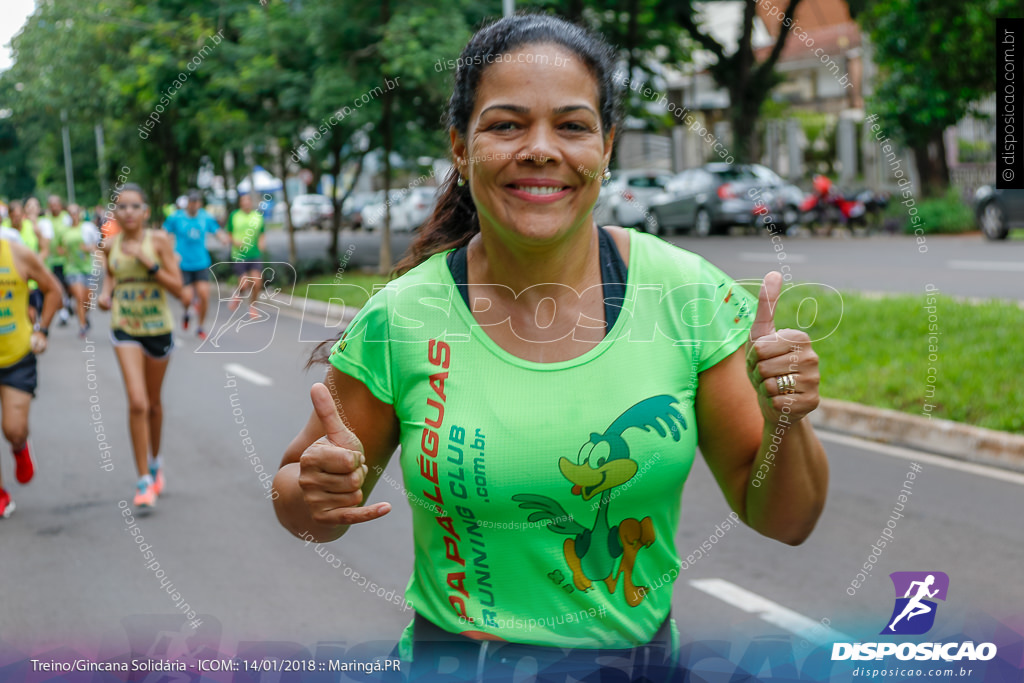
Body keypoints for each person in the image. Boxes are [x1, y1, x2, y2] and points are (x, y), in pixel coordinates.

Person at [273, 14, 828, 680]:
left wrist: (785, 419)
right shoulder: (402, 317)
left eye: (571, 125)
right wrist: (315, 492)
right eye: (506, 125)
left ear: (606, 146)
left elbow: (788, 521)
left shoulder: (685, 294)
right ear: (460, 147)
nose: (540, 149)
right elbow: (299, 506)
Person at [97, 184, 183, 510]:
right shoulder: (109, 245)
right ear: (116, 214)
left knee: (154, 404)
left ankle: (156, 461)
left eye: (134, 206)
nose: (128, 212)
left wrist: (148, 262)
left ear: (145, 212)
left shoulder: (159, 242)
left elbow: (181, 292)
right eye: (122, 207)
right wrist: (105, 298)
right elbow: (110, 280)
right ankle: (143, 479)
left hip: (158, 329)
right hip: (125, 327)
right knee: (137, 403)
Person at [0, 234, 62, 517]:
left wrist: (42, 329)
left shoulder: (17, 254)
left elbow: (53, 290)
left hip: (16, 357)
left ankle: (20, 444)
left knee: (13, 428)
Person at [163, 189, 228, 340]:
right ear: (187, 203)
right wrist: (169, 252)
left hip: (201, 262)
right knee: (186, 298)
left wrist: (223, 238)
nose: (193, 205)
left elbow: (217, 231)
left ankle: (200, 327)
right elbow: (164, 234)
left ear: (199, 203)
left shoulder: (205, 217)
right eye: (191, 202)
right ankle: (187, 312)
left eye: (196, 202)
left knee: (204, 295)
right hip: (183, 264)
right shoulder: (176, 218)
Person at [53, 204, 100, 338]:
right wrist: (66, 254)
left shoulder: (87, 228)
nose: (73, 215)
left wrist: (88, 249)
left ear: (79, 213)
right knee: (79, 298)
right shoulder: (64, 231)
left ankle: (85, 316)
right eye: (70, 213)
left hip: (87, 268)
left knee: (87, 300)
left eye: (75, 212)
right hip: (72, 269)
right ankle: (83, 326)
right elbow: (58, 248)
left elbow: (96, 245)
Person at [226, 193, 266, 320]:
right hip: (239, 254)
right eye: (243, 201)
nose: (246, 203)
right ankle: (238, 294)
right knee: (244, 284)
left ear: (251, 203)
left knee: (257, 282)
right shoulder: (235, 216)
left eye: (248, 201)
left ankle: (253, 306)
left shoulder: (257, 216)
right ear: (240, 203)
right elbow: (229, 234)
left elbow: (262, 233)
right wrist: (235, 241)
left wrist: (261, 243)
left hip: (254, 254)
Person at [40, 195, 73, 326]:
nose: (54, 207)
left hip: (68, 260)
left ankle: (67, 302)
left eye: (56, 204)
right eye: (51, 204)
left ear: (60, 205)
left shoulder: (66, 218)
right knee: (57, 285)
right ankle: (63, 312)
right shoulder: (45, 220)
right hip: (52, 260)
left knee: (70, 286)